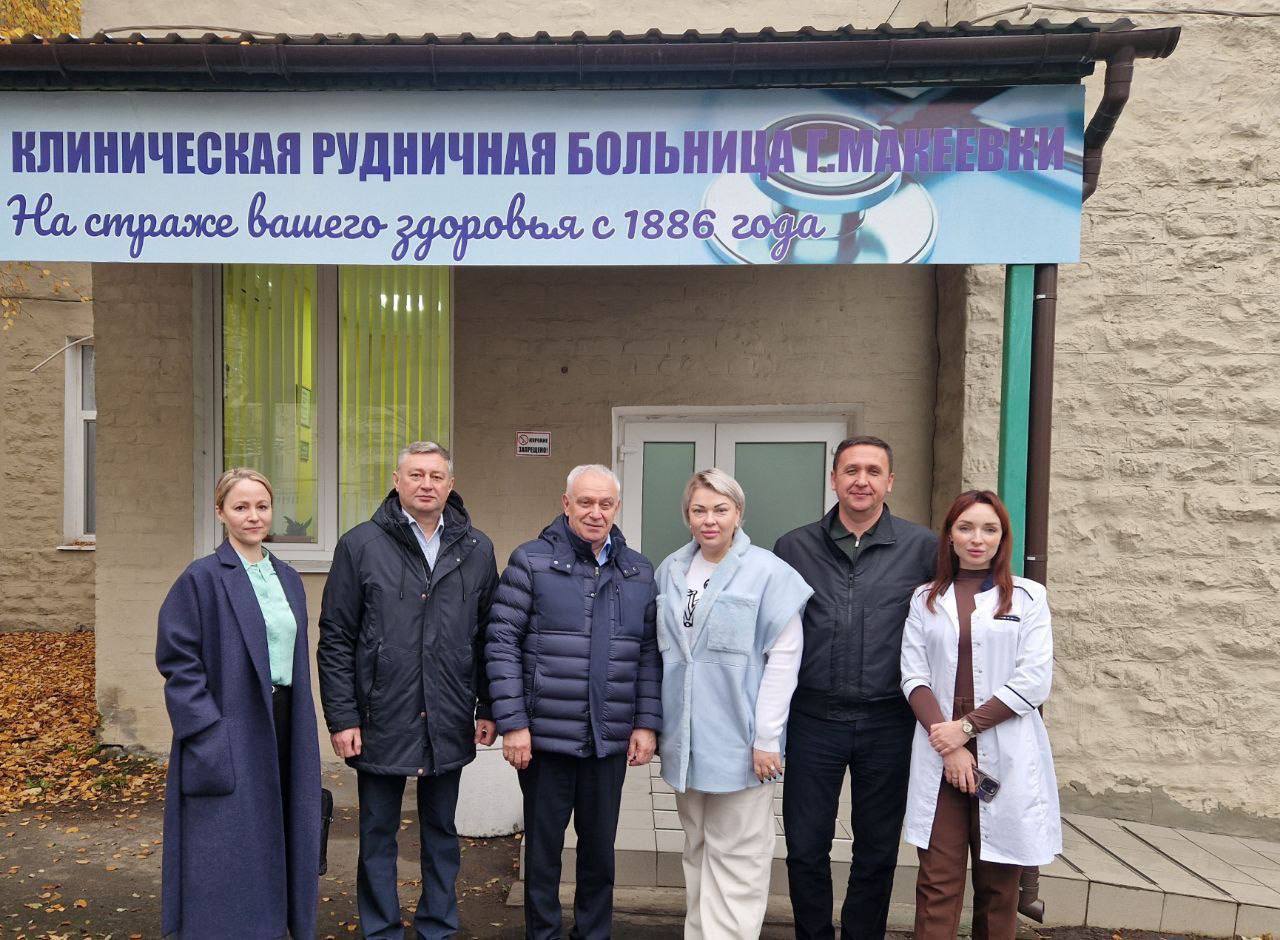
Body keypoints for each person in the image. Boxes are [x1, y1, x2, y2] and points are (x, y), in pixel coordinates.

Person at [317, 441, 499, 940]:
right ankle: (381, 929)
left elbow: (488, 635)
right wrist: (343, 717)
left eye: (436, 476)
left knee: (441, 831)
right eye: (415, 474)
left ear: (450, 485)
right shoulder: (360, 545)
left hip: (449, 713)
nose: (426, 484)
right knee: (377, 832)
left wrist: (487, 706)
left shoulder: (477, 548)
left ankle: (437, 926)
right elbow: (336, 637)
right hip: (380, 714)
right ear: (396, 481)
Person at [486, 464, 661, 940]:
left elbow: (648, 652)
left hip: (608, 739)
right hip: (545, 739)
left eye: (605, 503)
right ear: (566, 504)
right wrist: (514, 724)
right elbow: (501, 643)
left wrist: (646, 723)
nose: (595, 512)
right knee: (543, 854)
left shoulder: (638, 570)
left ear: (617, 507)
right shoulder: (531, 561)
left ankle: (593, 933)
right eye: (585, 502)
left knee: (599, 852)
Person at [773, 435, 938, 940]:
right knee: (805, 847)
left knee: (876, 850)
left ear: (890, 481)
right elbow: (772, 634)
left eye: (873, 471)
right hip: (813, 719)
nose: (861, 480)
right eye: (851, 470)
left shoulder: (923, 548)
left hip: (887, 721)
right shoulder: (794, 547)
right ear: (834, 479)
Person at [156, 467, 321, 939]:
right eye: (241, 507)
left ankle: (275, 925)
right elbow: (177, 659)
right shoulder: (201, 578)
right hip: (230, 722)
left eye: (262, 506)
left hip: (286, 720)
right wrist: (206, 728)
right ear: (220, 513)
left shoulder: (287, 578)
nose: (253, 516)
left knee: (282, 827)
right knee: (229, 840)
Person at [655, 469, 812, 939]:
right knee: (697, 849)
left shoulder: (768, 572)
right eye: (699, 510)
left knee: (738, 856)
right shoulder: (671, 570)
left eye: (720, 509)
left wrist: (767, 737)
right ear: (687, 516)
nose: (710, 520)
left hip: (742, 742)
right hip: (687, 741)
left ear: (738, 513)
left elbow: (784, 659)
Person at [900, 490, 1062, 940]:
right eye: (966, 527)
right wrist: (949, 742)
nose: (977, 538)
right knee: (937, 881)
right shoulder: (925, 598)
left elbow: (1033, 680)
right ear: (949, 536)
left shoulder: (1028, 597)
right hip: (939, 747)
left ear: (1002, 538)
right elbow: (913, 675)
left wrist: (967, 728)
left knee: (999, 887)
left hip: (1003, 744)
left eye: (989, 529)